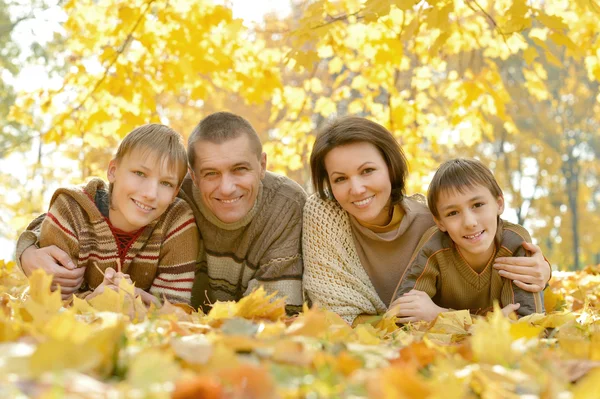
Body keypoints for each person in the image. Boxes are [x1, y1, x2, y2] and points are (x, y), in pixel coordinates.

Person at [17, 112, 306, 314]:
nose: (226, 187)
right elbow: (86, 203)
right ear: (193, 177)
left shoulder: (284, 207)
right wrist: (27, 249)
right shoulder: (172, 195)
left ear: (262, 165)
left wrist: (130, 306)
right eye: (211, 173)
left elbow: (275, 313)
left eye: (240, 169)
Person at [302, 116, 551, 324]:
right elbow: (334, 314)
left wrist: (544, 270)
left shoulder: (436, 223)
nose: (356, 189)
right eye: (340, 179)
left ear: (390, 167)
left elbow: (492, 240)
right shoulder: (324, 218)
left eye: (367, 171)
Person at [34, 124, 199, 305]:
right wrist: (93, 301)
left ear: (175, 192)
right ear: (113, 171)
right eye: (140, 173)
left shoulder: (177, 220)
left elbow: (176, 309)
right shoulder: (71, 211)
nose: (151, 194)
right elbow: (48, 303)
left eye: (166, 183)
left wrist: (132, 296)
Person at [388, 158, 544, 322]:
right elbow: (399, 316)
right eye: (453, 213)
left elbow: (529, 325)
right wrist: (492, 322)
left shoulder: (515, 242)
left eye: (477, 205)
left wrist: (439, 315)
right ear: (440, 222)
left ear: (499, 204)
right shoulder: (434, 246)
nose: (470, 223)